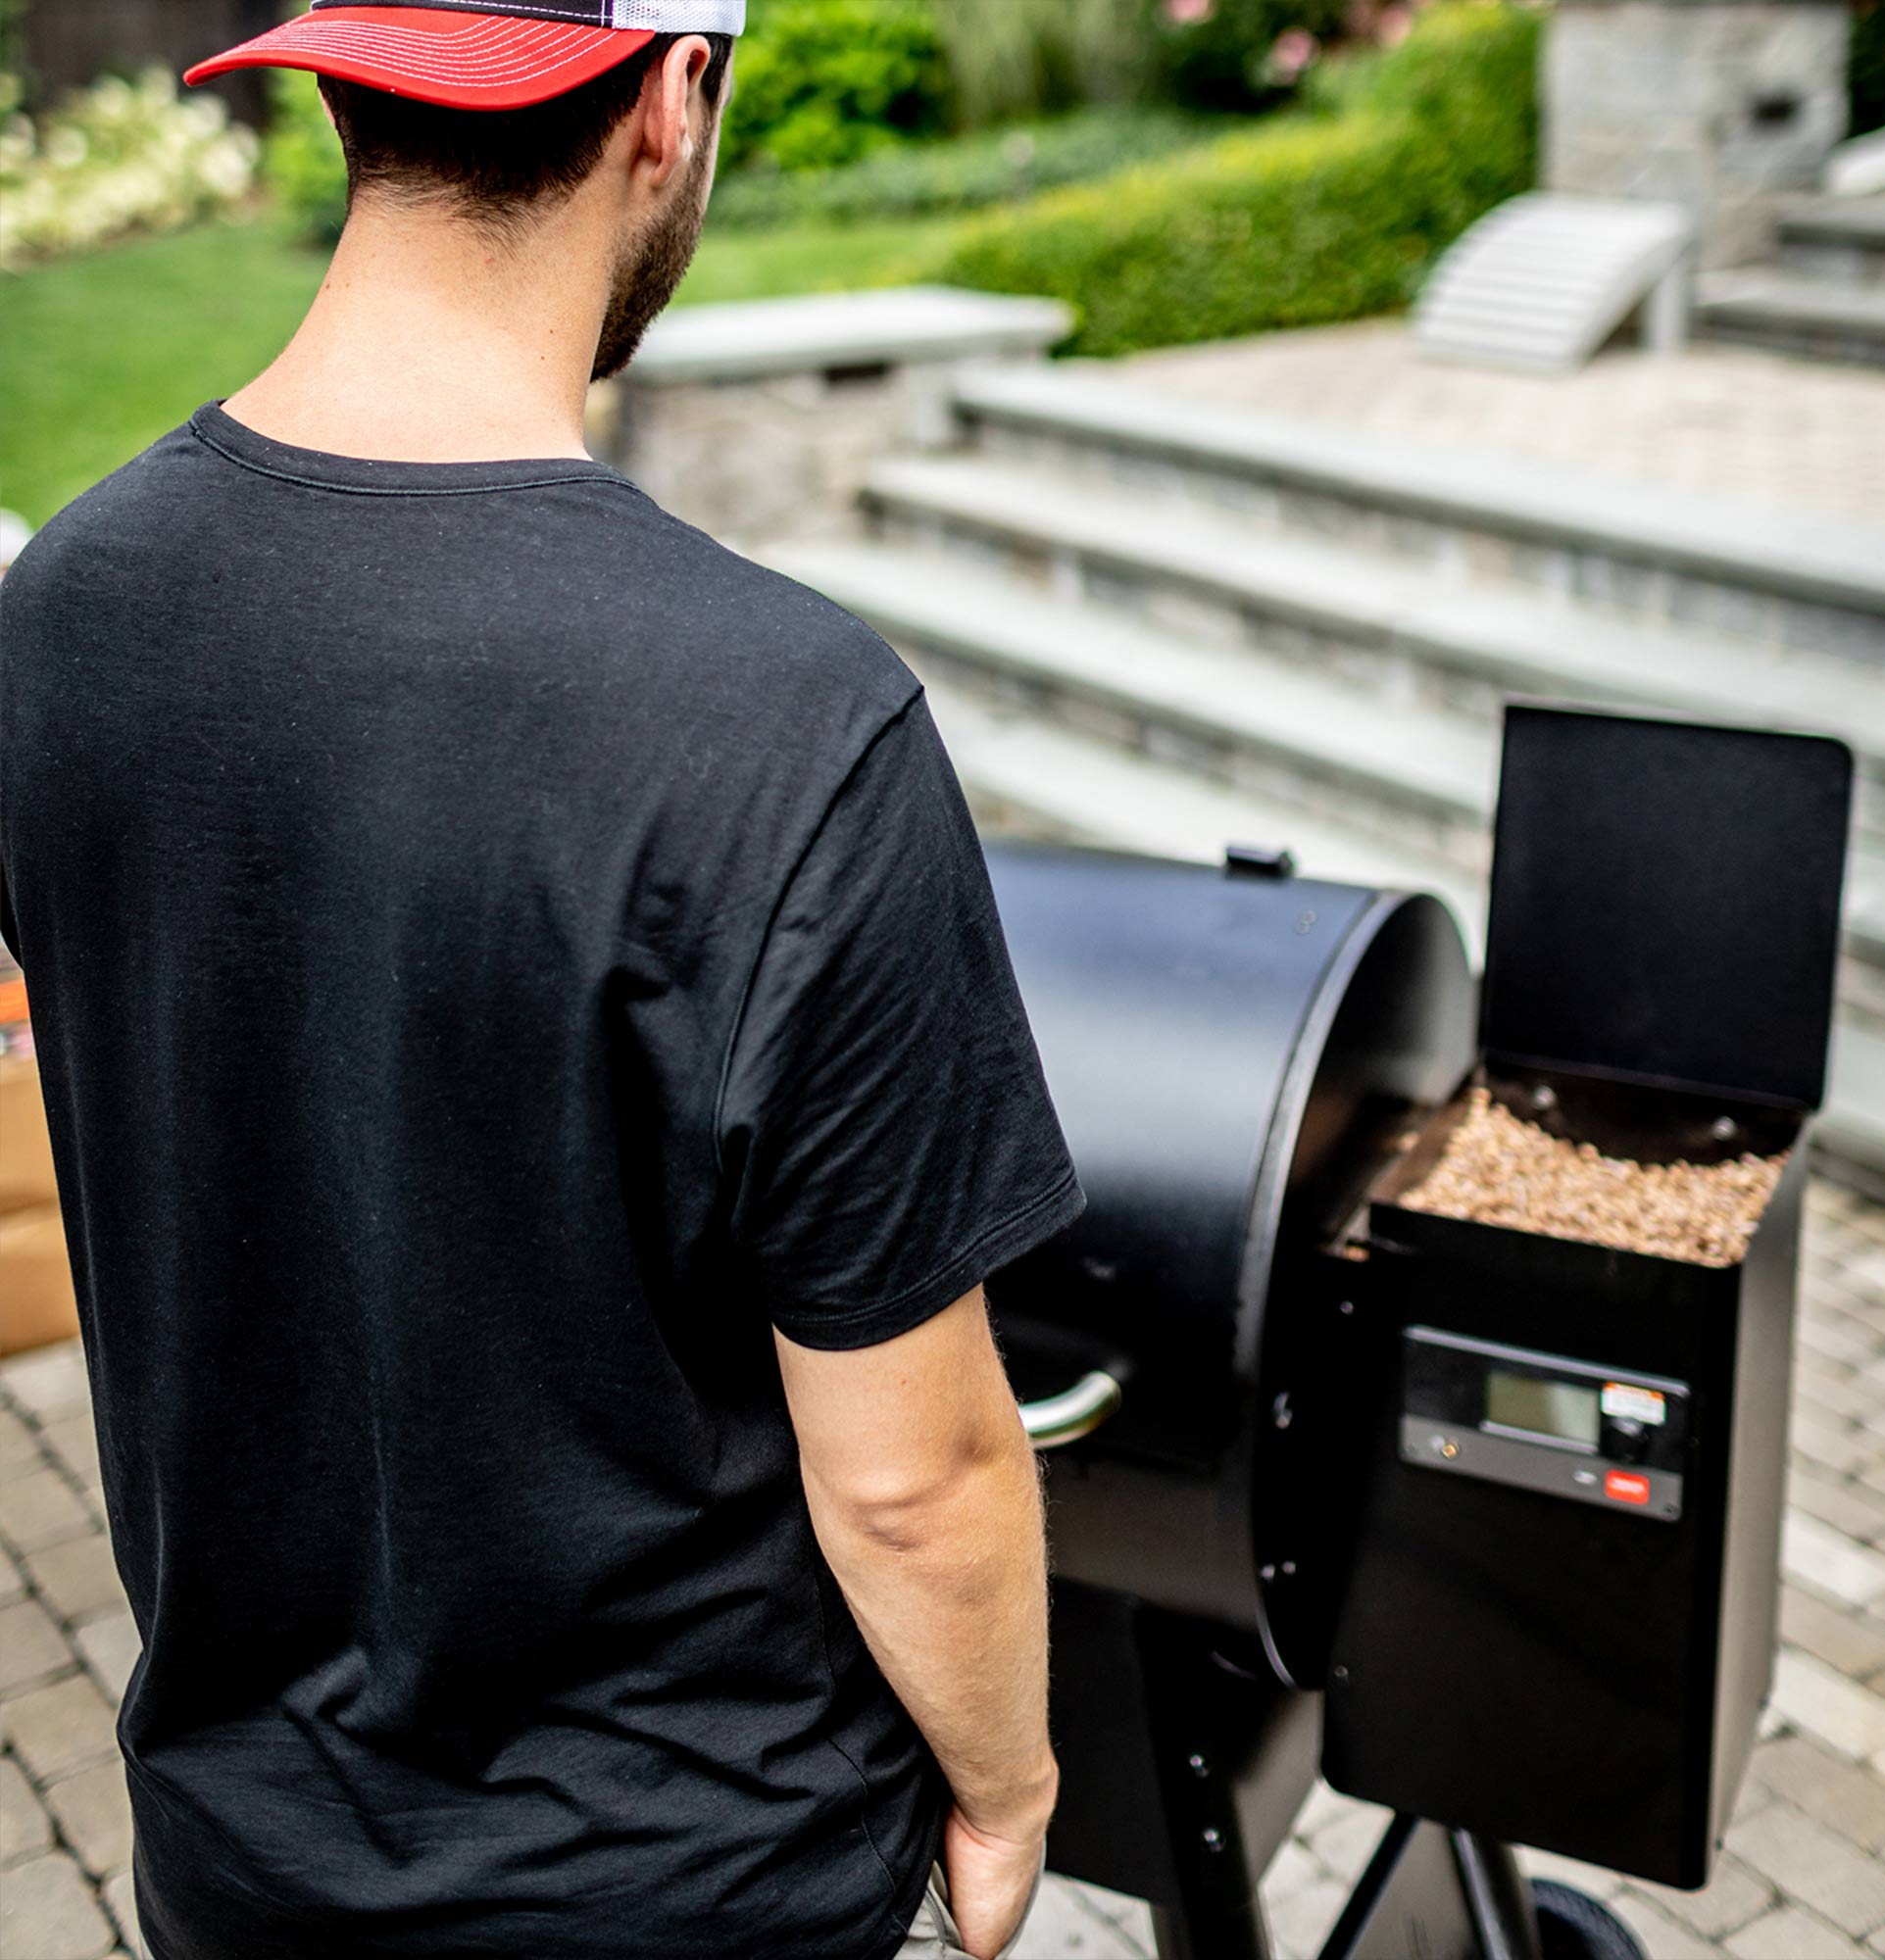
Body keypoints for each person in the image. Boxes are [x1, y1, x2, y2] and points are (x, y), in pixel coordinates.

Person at [0, 5, 1085, 1957]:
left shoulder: (61, 612)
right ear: (672, 97)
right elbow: (914, 1481)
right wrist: (1008, 1786)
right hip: (692, 1892)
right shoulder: (790, 726)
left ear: (343, 80)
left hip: (242, 1876)